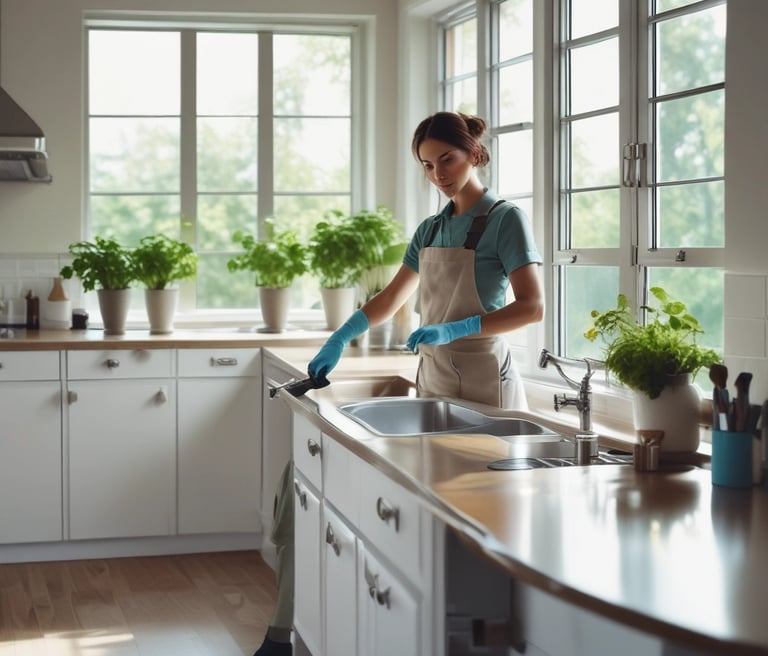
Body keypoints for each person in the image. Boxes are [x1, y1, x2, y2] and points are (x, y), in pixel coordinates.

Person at [252, 111, 544, 655]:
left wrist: (459, 326)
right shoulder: (431, 229)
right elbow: (389, 301)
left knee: (480, 525)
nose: (438, 174)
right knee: (433, 521)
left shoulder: (505, 219)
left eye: (447, 160)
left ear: (475, 153)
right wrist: (340, 335)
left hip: (485, 389)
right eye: (428, 166)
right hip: (434, 382)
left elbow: (532, 307)